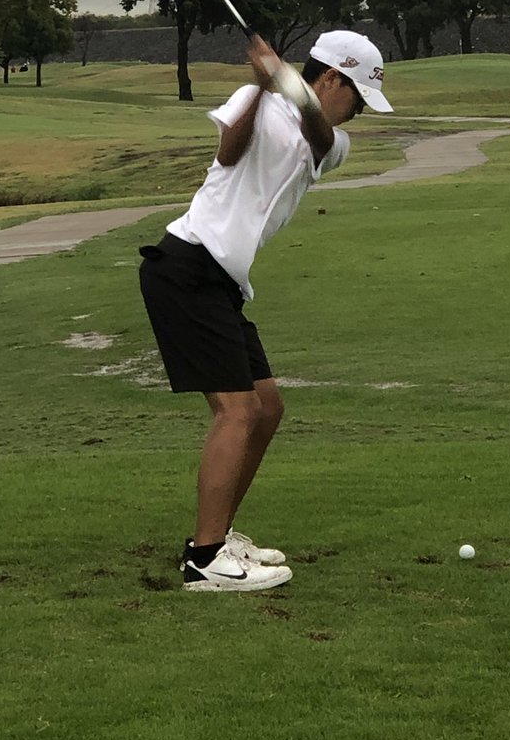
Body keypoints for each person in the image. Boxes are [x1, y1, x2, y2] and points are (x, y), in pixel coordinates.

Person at [138, 30, 393, 591]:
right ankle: (205, 561)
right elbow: (228, 152)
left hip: (222, 281)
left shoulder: (330, 139)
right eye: (357, 98)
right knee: (238, 412)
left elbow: (320, 134)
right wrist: (259, 86)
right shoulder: (254, 102)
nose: (357, 116)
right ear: (332, 78)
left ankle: (219, 533)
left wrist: (282, 79)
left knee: (268, 407)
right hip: (188, 267)